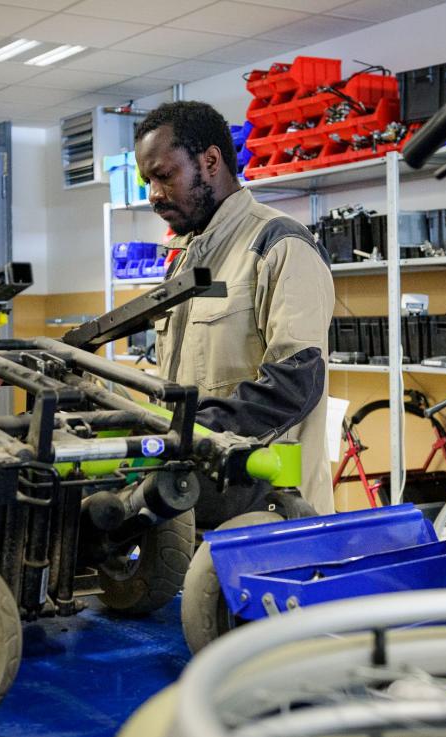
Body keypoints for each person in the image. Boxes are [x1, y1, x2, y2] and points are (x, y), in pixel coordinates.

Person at [134, 101, 335, 518]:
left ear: (210, 161)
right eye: (147, 181)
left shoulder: (279, 244)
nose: (154, 194)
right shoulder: (183, 261)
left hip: (272, 507)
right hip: (198, 499)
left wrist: (187, 431)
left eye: (164, 176)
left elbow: (295, 382)